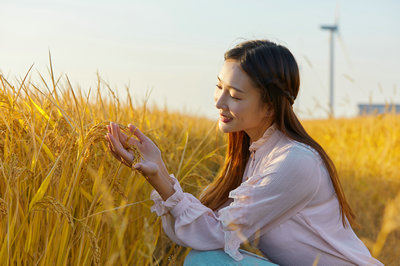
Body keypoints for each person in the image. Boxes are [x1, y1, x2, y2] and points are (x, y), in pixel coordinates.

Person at [105, 39, 383, 265]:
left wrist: (160, 177)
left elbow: (212, 235)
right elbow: (208, 227)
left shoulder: (295, 161)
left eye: (235, 96)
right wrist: (157, 169)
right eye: (219, 87)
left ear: (270, 107)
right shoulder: (256, 156)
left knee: (206, 262)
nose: (220, 102)